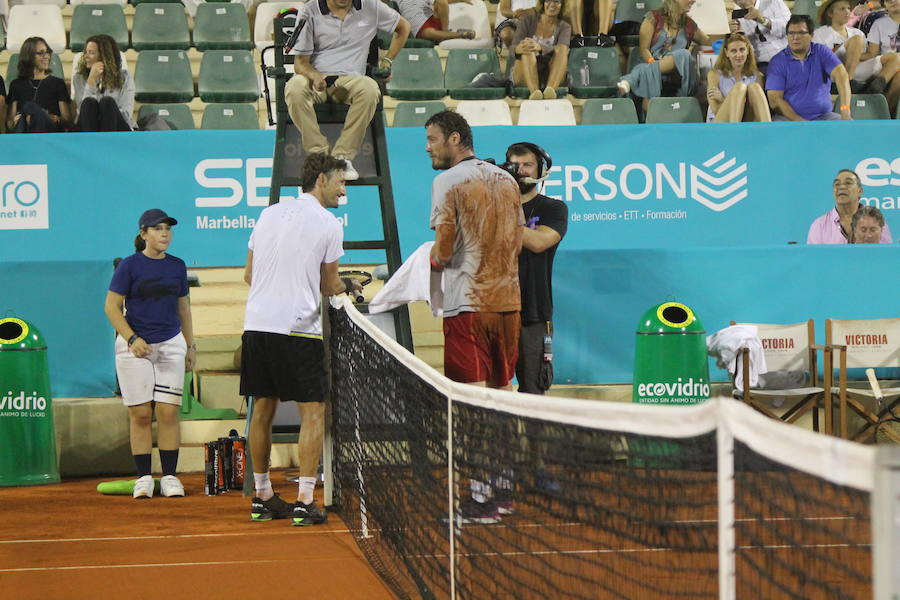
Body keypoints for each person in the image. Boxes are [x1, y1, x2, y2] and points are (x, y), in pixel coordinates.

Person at [241, 153, 361, 525]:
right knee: (314, 411)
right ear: (321, 179)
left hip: (257, 325)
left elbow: (249, 274)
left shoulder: (269, 213)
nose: (344, 190)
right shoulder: (328, 223)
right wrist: (349, 286)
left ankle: (263, 497)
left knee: (262, 408)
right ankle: (306, 500)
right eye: (341, 182)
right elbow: (329, 285)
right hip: (297, 329)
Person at [425, 110, 522, 523]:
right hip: (508, 305)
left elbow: (443, 252)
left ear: (454, 138)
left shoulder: (447, 181)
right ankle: (502, 489)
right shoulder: (509, 180)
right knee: (501, 400)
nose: (427, 147)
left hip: (469, 307)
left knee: (469, 404)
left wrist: (426, 260)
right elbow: (517, 241)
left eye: (432, 139)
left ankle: (480, 497)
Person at [104, 209, 195, 499]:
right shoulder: (129, 266)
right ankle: (143, 477)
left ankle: (169, 477)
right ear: (143, 234)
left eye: (167, 228)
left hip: (171, 343)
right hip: (135, 347)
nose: (164, 233)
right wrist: (132, 338)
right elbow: (111, 307)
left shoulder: (177, 266)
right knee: (141, 414)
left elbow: (184, 308)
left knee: (168, 412)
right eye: (157, 229)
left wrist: (190, 345)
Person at [286, 0, 411, 180]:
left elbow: (403, 27)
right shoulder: (309, 10)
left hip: (350, 81)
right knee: (294, 87)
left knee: (370, 88)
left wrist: (388, 60)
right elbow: (300, 63)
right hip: (316, 81)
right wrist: (314, 76)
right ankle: (320, 155)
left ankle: (341, 157)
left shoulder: (372, 6)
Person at [505, 142, 567, 395]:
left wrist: (496, 216)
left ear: (541, 169)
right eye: (514, 165)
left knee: (533, 388)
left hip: (532, 311)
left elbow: (540, 242)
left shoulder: (553, 208)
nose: (520, 171)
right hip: (492, 308)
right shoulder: (491, 205)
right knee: (489, 387)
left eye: (527, 165)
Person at [616, 0, 716, 109]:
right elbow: (644, 49)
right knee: (651, 79)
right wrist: (654, 66)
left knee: (684, 55)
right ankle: (650, 122)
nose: (694, 0)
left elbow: (709, 42)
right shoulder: (652, 18)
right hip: (653, 65)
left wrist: (730, 34)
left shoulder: (690, 25)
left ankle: (630, 79)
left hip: (678, 74)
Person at [765, 15, 853, 120]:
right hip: (788, 119)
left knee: (850, 128)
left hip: (824, 117)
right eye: (791, 33)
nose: (795, 37)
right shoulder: (778, 61)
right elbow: (775, 100)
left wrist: (845, 110)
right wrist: (800, 121)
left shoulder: (822, 52)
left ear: (811, 35)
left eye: (801, 33)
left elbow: (841, 74)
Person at [807, 168, 894, 243]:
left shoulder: (877, 222)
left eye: (848, 183)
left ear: (860, 191)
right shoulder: (819, 225)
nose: (841, 187)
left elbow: (885, 256)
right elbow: (813, 259)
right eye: (837, 184)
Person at [6, 37, 72, 133]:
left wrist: (54, 118)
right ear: (29, 56)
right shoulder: (16, 85)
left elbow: (67, 121)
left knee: (30, 107)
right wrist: (14, 121)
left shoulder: (58, 83)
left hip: (49, 129)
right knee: (29, 110)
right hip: (24, 129)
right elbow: (9, 124)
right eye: (41, 53)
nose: (46, 56)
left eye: (47, 52)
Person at [72, 34, 136, 132]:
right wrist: (91, 81)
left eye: (91, 53)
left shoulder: (125, 78)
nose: (86, 56)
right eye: (86, 52)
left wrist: (106, 113)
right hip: (90, 128)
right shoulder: (79, 78)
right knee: (88, 102)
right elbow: (83, 113)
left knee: (107, 102)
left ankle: (107, 144)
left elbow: (126, 116)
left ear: (105, 57)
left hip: (118, 130)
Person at [510, 0, 572, 99]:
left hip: (551, 72)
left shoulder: (565, 27)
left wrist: (540, 48)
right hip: (525, 71)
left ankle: (550, 91)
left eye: (557, 1)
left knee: (562, 50)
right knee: (527, 48)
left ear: (562, 5)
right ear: (543, 3)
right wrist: (519, 48)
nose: (552, 5)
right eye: (548, 1)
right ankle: (535, 92)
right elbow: (512, 48)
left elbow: (562, 49)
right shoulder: (527, 21)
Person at [706, 32, 772, 122]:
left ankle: (768, 130)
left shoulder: (758, 76)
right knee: (739, 87)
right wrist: (728, 101)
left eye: (742, 49)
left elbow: (756, 114)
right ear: (726, 53)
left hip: (745, 122)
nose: (739, 55)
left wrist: (722, 99)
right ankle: (735, 133)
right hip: (719, 124)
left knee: (754, 87)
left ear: (747, 50)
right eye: (733, 51)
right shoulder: (714, 75)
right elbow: (716, 110)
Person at [813, 0, 871, 86]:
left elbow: (864, 56)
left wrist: (852, 55)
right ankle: (847, 82)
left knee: (894, 58)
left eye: (848, 8)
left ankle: (873, 89)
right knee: (857, 40)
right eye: (842, 9)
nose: (847, 12)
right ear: (830, 14)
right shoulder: (819, 34)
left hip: (856, 69)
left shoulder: (858, 32)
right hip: (831, 71)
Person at [858, 0, 900, 114]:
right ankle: (888, 117)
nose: (892, 1)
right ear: (884, 6)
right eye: (887, 0)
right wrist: (851, 57)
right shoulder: (879, 23)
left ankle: (877, 99)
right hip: (888, 66)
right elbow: (871, 53)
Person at [729, 0, 790, 74]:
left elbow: (790, 29)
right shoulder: (738, 15)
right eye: (735, 0)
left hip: (788, 56)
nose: (739, 2)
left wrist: (764, 21)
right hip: (763, 63)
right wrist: (737, 34)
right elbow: (743, 49)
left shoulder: (773, 2)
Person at [396, 0, 476, 43]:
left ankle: (445, 32)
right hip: (420, 28)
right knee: (429, 32)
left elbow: (442, 2)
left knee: (442, 1)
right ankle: (460, 34)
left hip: (432, 18)